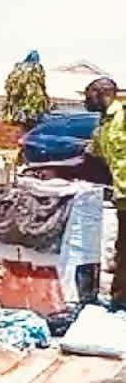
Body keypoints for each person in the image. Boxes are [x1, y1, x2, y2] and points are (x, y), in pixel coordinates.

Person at [86, 78, 126, 308]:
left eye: (88, 94)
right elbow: (90, 158)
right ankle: (119, 300)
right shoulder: (102, 127)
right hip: (122, 199)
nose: (85, 100)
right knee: (122, 251)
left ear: (102, 93)